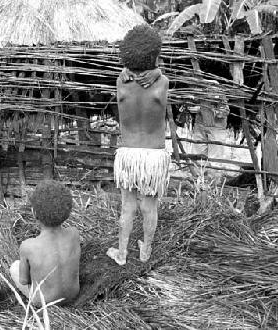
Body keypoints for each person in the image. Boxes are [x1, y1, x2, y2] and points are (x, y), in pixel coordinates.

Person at [106, 25, 170, 266]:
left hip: (128, 154)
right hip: (153, 156)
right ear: (154, 53)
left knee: (127, 207)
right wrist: (157, 70)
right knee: (149, 207)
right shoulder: (162, 82)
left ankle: (122, 253)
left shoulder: (120, 82)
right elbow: (158, 74)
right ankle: (145, 252)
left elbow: (131, 75)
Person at [10, 180, 80, 306]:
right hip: (73, 295)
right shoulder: (74, 234)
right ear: (68, 211)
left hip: (43, 302)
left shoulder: (28, 246)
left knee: (14, 267)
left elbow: (24, 280)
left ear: (34, 212)